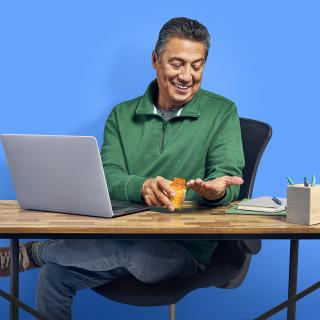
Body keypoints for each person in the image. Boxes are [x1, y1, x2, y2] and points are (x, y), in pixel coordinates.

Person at [0, 17, 244, 319]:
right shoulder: (122, 115)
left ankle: (32, 253)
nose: (187, 76)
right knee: (54, 277)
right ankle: (42, 258)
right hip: (117, 237)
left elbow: (229, 183)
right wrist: (142, 187)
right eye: (177, 64)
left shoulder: (222, 112)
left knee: (132, 249)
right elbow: (109, 175)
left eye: (197, 66)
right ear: (155, 60)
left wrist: (214, 192)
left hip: (182, 249)